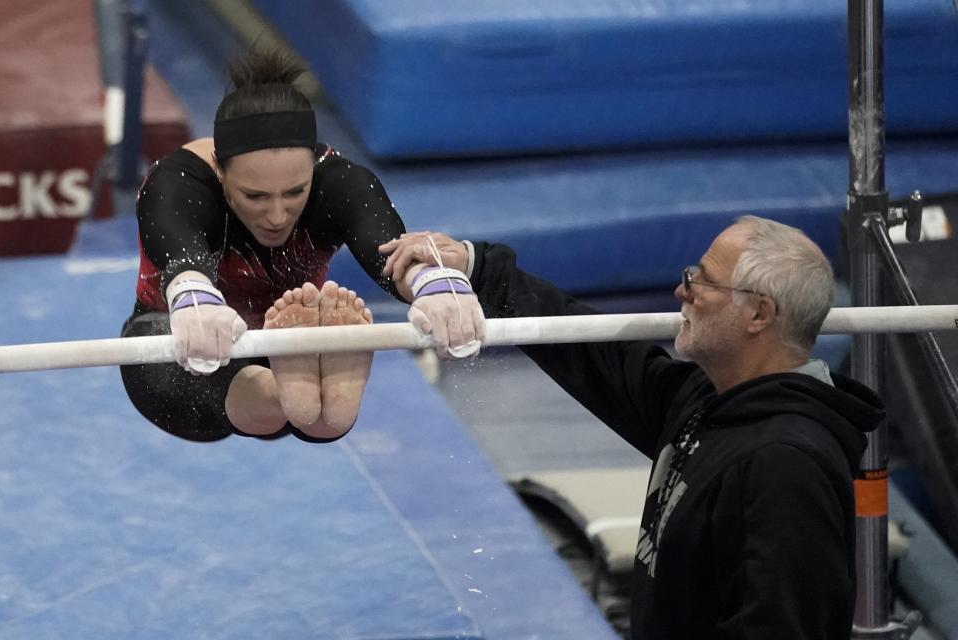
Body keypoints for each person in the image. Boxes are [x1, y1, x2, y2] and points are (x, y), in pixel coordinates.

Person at [380, 217, 884, 639]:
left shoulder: (787, 463)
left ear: (759, 313)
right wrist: (477, 267)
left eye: (702, 279)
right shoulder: (709, 400)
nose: (681, 290)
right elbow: (593, 355)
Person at [119, 47, 483, 444]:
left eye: (295, 192)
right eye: (255, 196)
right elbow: (179, 246)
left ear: (314, 163)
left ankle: (306, 400)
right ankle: (294, 401)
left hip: (296, 340)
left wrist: (430, 282)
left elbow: (387, 247)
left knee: (302, 406)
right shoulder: (178, 183)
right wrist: (192, 294)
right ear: (220, 171)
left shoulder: (340, 182)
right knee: (168, 348)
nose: (277, 215)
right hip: (188, 349)